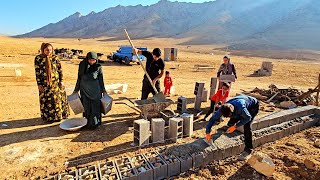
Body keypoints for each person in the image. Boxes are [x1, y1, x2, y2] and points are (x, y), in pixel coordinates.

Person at [205, 95, 259, 161]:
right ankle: (229, 128)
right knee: (231, 122)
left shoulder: (241, 108)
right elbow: (212, 120)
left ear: (232, 112)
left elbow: (248, 118)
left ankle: (248, 150)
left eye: (229, 115)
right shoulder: (222, 109)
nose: (227, 117)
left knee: (247, 126)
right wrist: (207, 132)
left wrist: (235, 126)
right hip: (241, 102)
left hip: (253, 106)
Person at [34, 43, 69, 123]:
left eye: (50, 50)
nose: (48, 51)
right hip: (44, 84)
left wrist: (61, 81)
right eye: (46, 50)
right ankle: (48, 118)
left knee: (57, 100)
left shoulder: (55, 58)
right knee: (46, 100)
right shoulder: (38, 58)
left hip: (56, 83)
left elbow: (60, 70)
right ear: (43, 50)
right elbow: (37, 72)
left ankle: (59, 116)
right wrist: (39, 84)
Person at [73, 52, 107, 129]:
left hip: (95, 91)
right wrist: (76, 90)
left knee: (95, 108)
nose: (91, 62)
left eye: (93, 60)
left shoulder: (98, 67)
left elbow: (101, 80)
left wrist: (104, 90)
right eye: (90, 60)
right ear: (87, 59)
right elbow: (79, 78)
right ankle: (86, 123)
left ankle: (95, 124)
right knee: (86, 107)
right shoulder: (82, 65)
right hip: (84, 90)